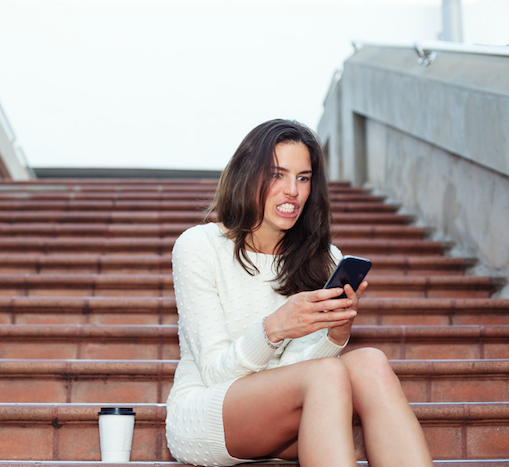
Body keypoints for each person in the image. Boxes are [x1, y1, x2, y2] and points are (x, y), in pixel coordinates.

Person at [165, 119, 433, 467]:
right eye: (277, 175)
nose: (293, 190)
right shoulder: (199, 247)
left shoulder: (324, 258)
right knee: (325, 374)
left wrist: (336, 335)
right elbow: (216, 372)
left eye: (303, 178)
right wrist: (275, 328)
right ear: (247, 175)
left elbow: (301, 375)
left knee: (370, 363)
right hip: (208, 412)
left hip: (286, 417)